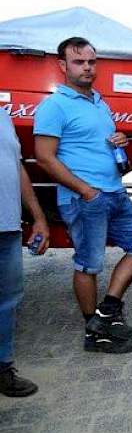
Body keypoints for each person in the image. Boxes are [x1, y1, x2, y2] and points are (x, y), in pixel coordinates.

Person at [34, 37, 132, 355]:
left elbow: (101, 147)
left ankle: (105, 315)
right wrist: (85, 191)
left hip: (115, 193)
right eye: (78, 62)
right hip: (85, 198)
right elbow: (45, 158)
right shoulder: (54, 106)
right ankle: (94, 334)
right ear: (62, 66)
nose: (87, 67)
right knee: (89, 265)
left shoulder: (99, 102)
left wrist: (120, 141)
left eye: (91, 61)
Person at [0, 107, 49, 397]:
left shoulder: (3, 116)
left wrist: (38, 217)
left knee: (8, 302)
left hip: (7, 226)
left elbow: (16, 167)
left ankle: (3, 369)